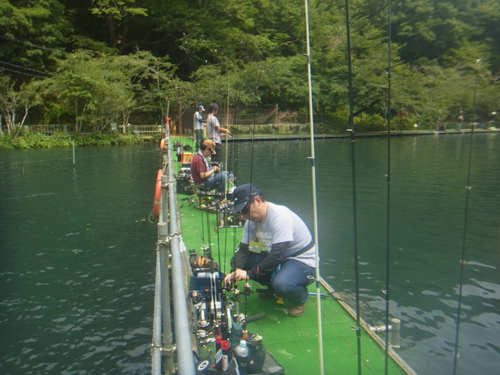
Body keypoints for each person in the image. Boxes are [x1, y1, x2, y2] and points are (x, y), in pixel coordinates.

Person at [224, 184, 316, 317]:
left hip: (302, 260)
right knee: (239, 261)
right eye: (241, 213)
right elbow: (244, 249)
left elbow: (278, 255)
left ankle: (299, 300)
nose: (243, 216)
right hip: (276, 254)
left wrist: (249, 274)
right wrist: (237, 270)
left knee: (282, 284)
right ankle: (273, 288)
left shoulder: (280, 217)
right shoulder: (251, 222)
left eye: (245, 210)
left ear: (257, 200)